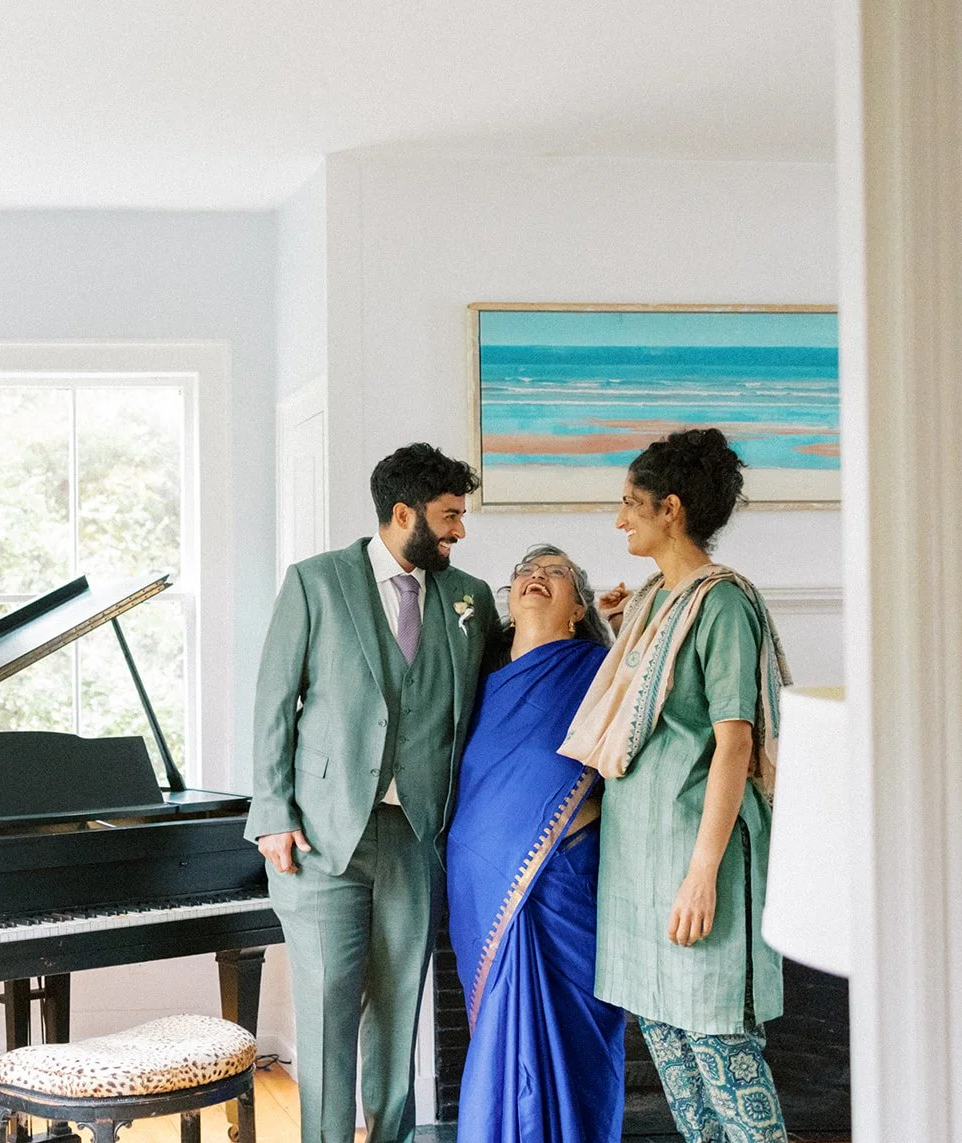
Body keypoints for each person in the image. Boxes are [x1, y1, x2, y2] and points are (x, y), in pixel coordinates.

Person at [247, 442, 499, 1143]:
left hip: (415, 836)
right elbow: (273, 704)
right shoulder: (315, 583)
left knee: (398, 1013)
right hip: (322, 838)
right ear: (402, 513)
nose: (459, 531)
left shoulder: (470, 598)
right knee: (327, 1009)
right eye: (449, 516)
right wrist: (273, 816)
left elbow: (507, 681)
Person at [561, 428, 792, 1143]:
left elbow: (735, 740)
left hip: (699, 860)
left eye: (631, 504)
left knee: (724, 1055)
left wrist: (702, 871)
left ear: (672, 508)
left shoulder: (721, 604)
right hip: (642, 865)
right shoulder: (659, 598)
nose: (620, 519)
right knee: (680, 1072)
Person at [446, 545, 626, 1143]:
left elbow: (653, 735)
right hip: (482, 884)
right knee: (501, 1036)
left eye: (555, 572)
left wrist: (630, 632)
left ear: (579, 606)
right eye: (524, 569)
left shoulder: (604, 667)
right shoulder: (474, 683)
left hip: (569, 882)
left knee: (576, 1043)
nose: (535, 577)